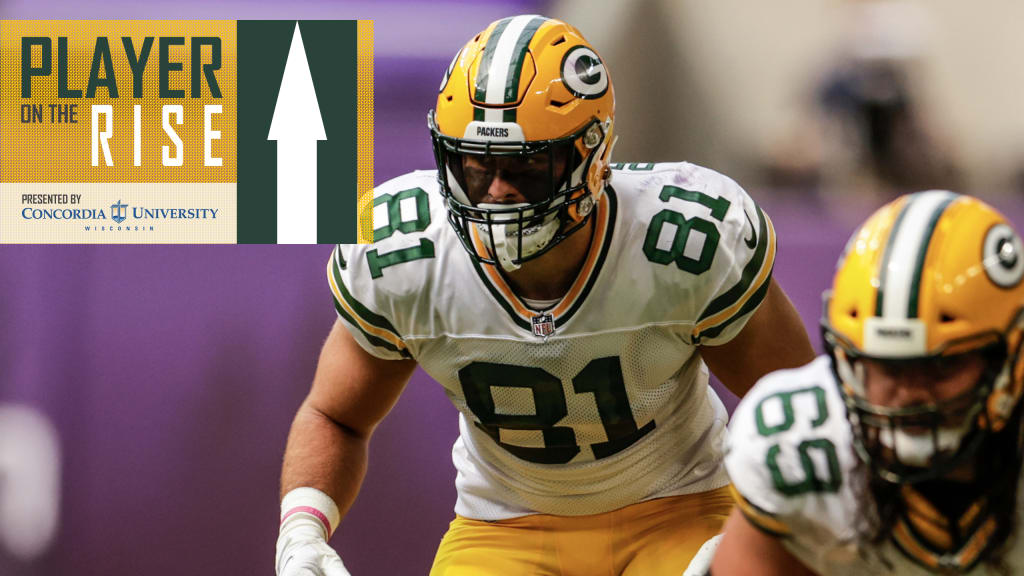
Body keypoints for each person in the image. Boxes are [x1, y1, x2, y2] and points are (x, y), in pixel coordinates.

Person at [275, 15, 814, 576]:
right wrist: (302, 532)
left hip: (677, 510)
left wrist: (757, 522)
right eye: (476, 164)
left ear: (594, 155)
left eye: (528, 165)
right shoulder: (406, 252)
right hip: (505, 527)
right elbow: (336, 416)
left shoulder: (679, 239)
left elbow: (799, 407)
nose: (498, 191)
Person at [713, 190, 1024, 575]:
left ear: (1011, 358)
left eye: (941, 367)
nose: (910, 392)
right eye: (889, 367)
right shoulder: (801, 440)